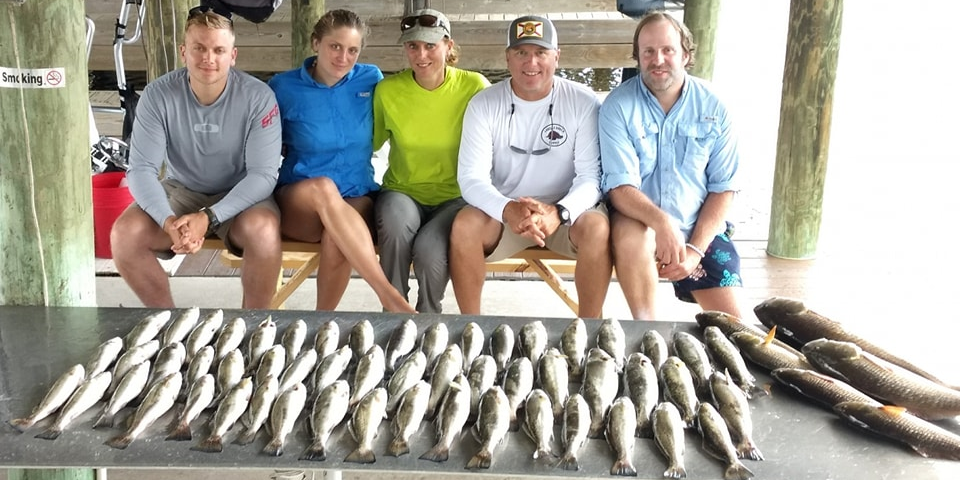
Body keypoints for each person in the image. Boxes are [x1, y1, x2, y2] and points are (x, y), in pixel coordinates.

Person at [111, 5, 282, 309]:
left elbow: (263, 175)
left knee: (264, 231)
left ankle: (253, 324)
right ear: (183, 52)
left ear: (233, 55)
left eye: (219, 50)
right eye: (199, 48)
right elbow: (141, 169)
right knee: (124, 234)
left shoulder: (258, 97)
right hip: (182, 188)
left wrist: (209, 217)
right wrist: (168, 222)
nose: (208, 58)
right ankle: (168, 321)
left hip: (240, 192)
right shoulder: (157, 95)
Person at [450, 15, 611, 318]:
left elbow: (591, 177)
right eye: (521, 52)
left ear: (557, 56)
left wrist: (559, 212)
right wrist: (507, 209)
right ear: (507, 57)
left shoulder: (583, 101)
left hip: (566, 215)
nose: (531, 62)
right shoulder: (483, 104)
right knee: (464, 225)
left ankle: (589, 327)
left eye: (541, 52)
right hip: (505, 214)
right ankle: (471, 325)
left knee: (597, 227)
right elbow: (471, 178)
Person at [267, 9, 416, 314]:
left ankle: (322, 320)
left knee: (338, 237)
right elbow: (264, 145)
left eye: (352, 50)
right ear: (315, 43)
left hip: (355, 194)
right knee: (323, 188)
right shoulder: (283, 87)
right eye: (335, 46)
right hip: (301, 200)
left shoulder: (370, 79)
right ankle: (390, 297)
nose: (343, 57)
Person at [599, 11, 744, 320]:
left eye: (668, 50)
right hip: (638, 219)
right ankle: (647, 327)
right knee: (631, 236)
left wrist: (695, 250)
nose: (658, 60)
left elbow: (724, 188)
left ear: (686, 55)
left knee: (736, 328)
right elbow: (620, 188)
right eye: (648, 51)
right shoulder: (617, 106)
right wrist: (663, 223)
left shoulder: (715, 106)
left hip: (697, 224)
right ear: (637, 57)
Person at [372, 9, 490, 313]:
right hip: (403, 190)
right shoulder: (387, 90)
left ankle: (428, 320)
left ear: (448, 46)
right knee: (395, 227)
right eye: (413, 46)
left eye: (430, 46)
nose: (421, 55)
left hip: (455, 197)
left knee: (428, 251)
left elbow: (497, 144)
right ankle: (393, 312)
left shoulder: (474, 86)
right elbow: (367, 145)